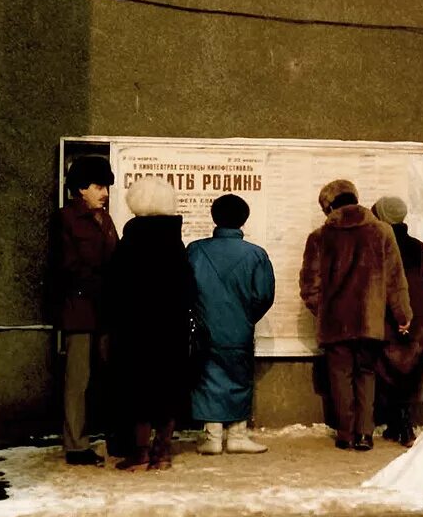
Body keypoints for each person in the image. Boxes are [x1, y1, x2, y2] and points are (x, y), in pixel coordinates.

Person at [299, 180, 412, 451]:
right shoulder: (382, 232)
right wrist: (402, 314)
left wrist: (322, 309)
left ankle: (345, 434)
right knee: (366, 374)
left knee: (339, 376)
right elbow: (395, 281)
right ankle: (365, 434)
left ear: (330, 206)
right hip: (369, 320)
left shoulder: (319, 237)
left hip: (336, 322)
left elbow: (309, 285)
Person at [106, 176, 193, 471]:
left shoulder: (131, 239)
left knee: (137, 389)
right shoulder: (174, 239)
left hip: (135, 328)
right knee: (168, 388)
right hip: (171, 328)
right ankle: (163, 453)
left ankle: (141, 451)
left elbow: (116, 286)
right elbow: (186, 287)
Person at [189, 194, 275, 455]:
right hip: (240, 329)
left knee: (207, 378)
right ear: (244, 219)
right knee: (239, 378)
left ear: (214, 217)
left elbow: (186, 289)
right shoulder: (256, 254)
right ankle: (237, 435)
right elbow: (264, 296)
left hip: (204, 328)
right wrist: (246, 317)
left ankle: (212, 436)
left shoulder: (195, 249)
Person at [49, 155, 118, 466]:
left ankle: (110, 436)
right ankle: (76, 445)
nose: (104, 193)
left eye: (105, 187)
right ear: (81, 189)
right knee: (78, 380)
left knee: (107, 375)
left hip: (104, 309)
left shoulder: (105, 220)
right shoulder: (65, 218)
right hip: (79, 309)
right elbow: (66, 265)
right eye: (98, 186)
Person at [371, 196, 423, 448]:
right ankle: (402, 424)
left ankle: (399, 424)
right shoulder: (420, 248)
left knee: (387, 370)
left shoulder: (379, 246)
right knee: (410, 371)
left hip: (387, 317)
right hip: (418, 319)